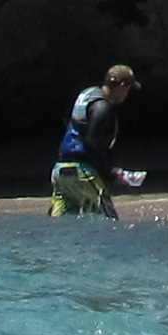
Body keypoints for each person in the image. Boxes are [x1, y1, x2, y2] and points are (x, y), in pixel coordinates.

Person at [48, 63, 143, 219]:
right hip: (82, 172)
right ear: (121, 86)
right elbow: (93, 144)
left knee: (61, 221)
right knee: (109, 221)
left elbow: (68, 120)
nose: (127, 94)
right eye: (127, 89)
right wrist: (110, 173)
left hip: (60, 170)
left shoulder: (86, 95)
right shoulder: (102, 107)